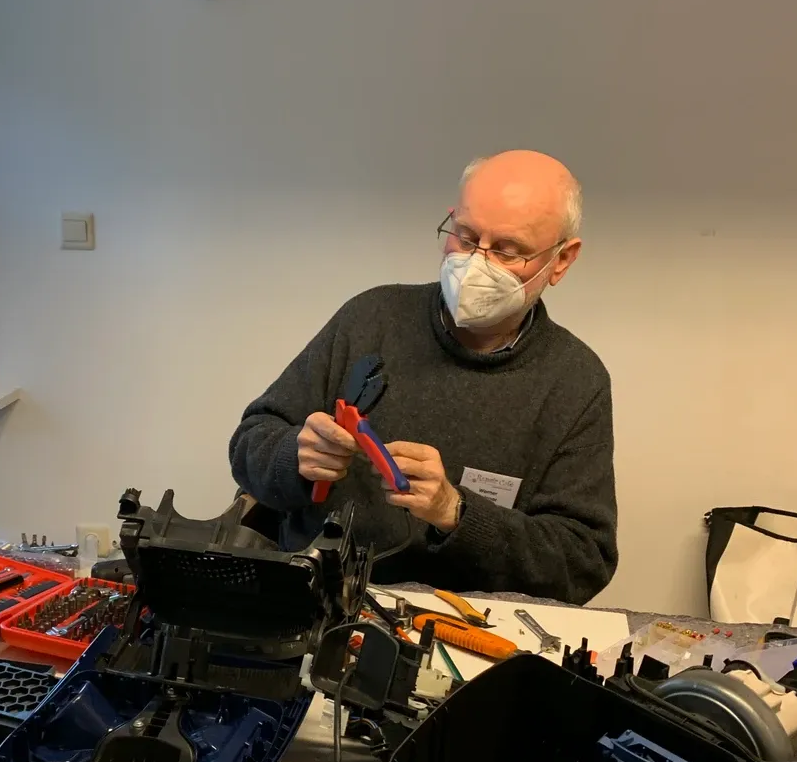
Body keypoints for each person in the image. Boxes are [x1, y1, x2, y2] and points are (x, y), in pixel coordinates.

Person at [228, 150, 617, 603]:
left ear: (562, 260)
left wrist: (457, 513)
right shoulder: (371, 318)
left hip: (459, 621)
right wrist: (292, 456)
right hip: (318, 595)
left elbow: (583, 562)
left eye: (507, 251)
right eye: (465, 237)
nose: (476, 265)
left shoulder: (575, 381)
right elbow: (249, 443)